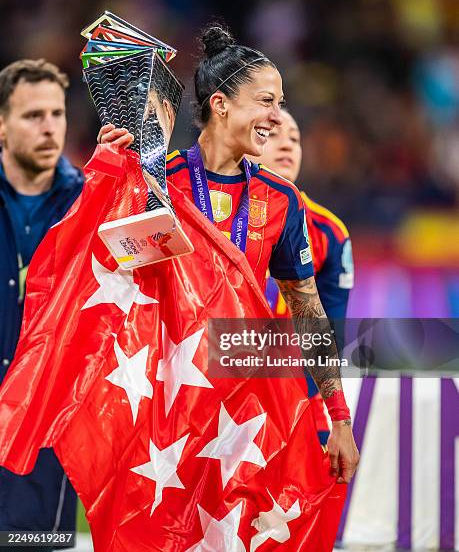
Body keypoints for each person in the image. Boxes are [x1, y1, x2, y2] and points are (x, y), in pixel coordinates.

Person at [100, 25, 359, 485]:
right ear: (220, 104)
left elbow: (307, 310)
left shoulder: (282, 199)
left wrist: (338, 417)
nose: (277, 118)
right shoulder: (159, 180)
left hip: (237, 411)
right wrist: (109, 176)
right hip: (159, 403)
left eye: (279, 104)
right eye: (266, 101)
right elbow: (115, 276)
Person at [0, 59, 84, 550]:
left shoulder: (88, 204)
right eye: (33, 116)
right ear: (3, 126)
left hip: (43, 441)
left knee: (33, 547)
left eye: (56, 114)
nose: (49, 126)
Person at [251, 108, 354, 444]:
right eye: (273, 134)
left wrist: (287, 396)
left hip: (296, 403)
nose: (287, 145)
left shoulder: (329, 233)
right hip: (217, 392)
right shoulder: (210, 209)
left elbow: (328, 336)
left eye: (294, 138)